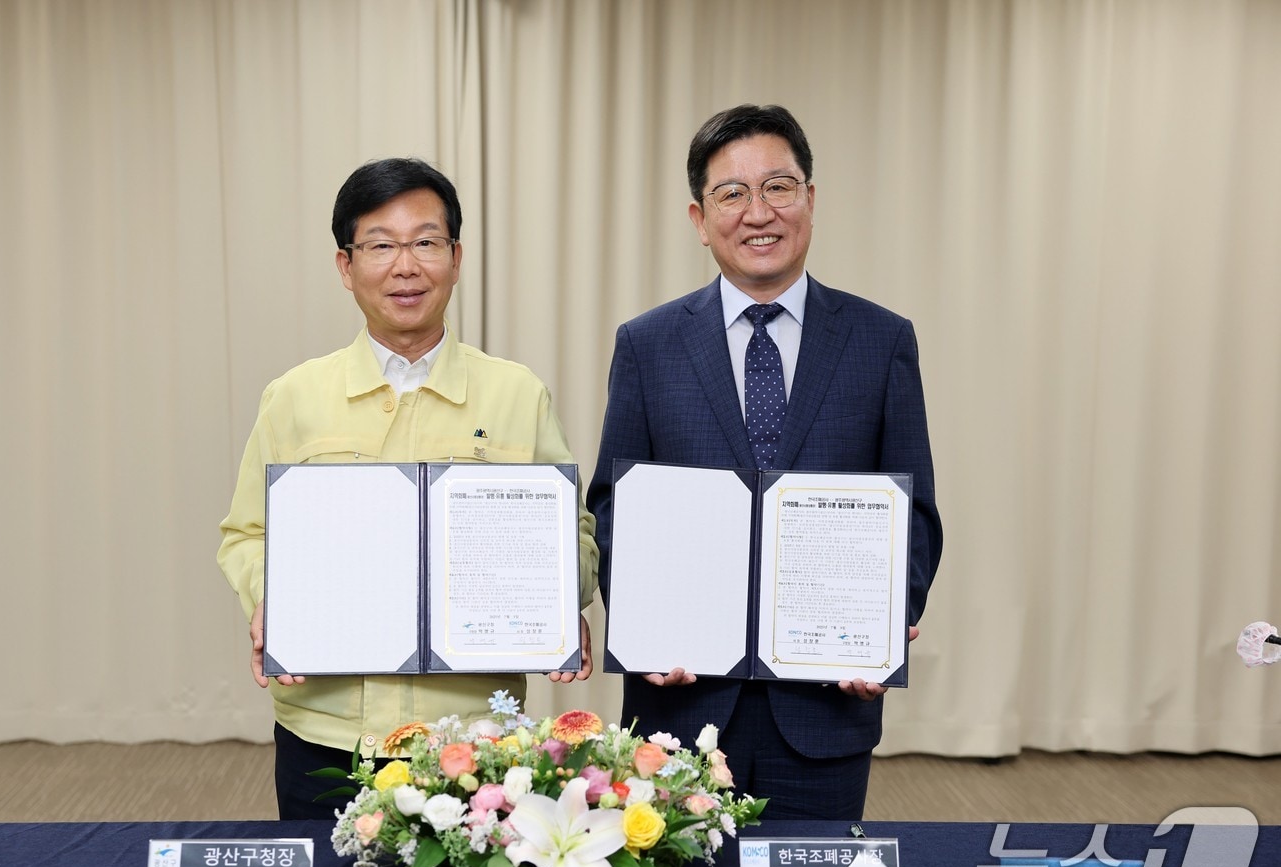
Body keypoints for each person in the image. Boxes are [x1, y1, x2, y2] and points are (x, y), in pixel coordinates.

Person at [586, 104, 943, 820]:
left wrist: (880, 625)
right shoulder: (647, 345)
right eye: (732, 193)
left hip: (823, 711)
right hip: (678, 711)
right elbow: (613, 506)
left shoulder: (881, 340)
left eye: (779, 186)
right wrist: (643, 627)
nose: (759, 212)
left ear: (811, 199)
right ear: (698, 217)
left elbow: (917, 518)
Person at [218, 157, 599, 820]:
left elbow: (573, 534)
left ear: (455, 257)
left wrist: (563, 595)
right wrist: (266, 597)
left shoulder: (515, 393)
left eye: (425, 242)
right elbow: (247, 534)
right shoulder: (294, 397)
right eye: (381, 245)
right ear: (346, 265)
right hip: (327, 728)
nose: (406, 265)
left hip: (475, 732)